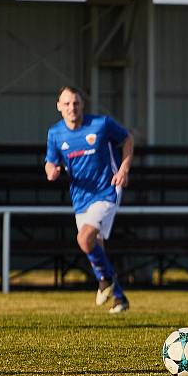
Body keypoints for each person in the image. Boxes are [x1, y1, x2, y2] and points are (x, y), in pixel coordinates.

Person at [44, 86, 133, 314]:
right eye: (66, 104)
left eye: (75, 103)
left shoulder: (101, 124)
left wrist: (123, 169)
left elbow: (127, 139)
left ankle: (104, 281)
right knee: (96, 247)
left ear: (82, 105)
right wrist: (51, 171)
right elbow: (51, 161)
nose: (71, 108)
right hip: (81, 197)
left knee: (84, 239)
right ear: (59, 107)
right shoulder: (55, 134)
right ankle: (119, 298)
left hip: (107, 189)